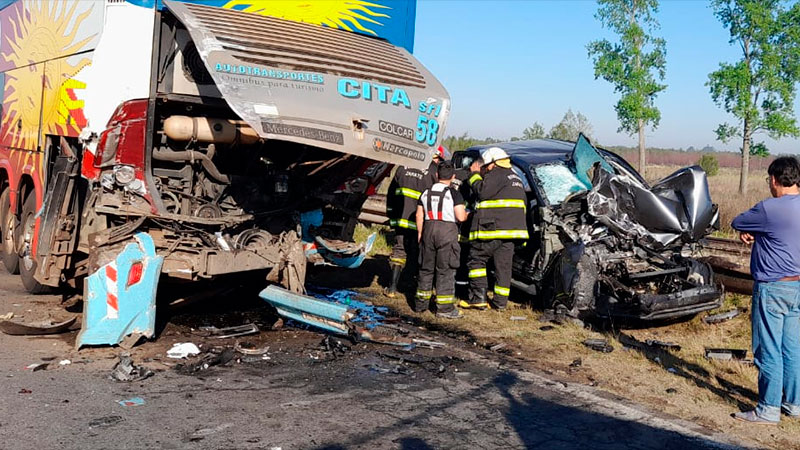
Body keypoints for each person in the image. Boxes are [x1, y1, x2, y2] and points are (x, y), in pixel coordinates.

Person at [731, 156, 800, 425]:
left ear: (773, 180)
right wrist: (760, 233)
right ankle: (794, 403)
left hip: (772, 287)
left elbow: (738, 221)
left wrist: (751, 231)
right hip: (797, 286)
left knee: (768, 348)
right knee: (792, 348)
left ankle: (768, 408)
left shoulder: (769, 209)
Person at [460, 147, 529, 311]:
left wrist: (474, 175)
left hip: (492, 229)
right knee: (503, 267)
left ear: (491, 163)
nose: (484, 170)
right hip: (511, 232)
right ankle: (500, 303)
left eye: (484, 167)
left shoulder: (497, 173)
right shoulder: (515, 177)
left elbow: (482, 192)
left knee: (476, 259)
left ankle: (478, 298)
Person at [385, 147, 443, 297]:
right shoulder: (433, 171)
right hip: (420, 221)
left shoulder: (403, 166)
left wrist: (391, 214)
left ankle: (392, 288)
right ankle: (410, 285)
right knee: (417, 252)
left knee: (399, 250)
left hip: (401, 219)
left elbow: (391, 193)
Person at [414, 161, 468, 318]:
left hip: (428, 229)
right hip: (446, 231)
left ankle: (420, 305)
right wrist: (467, 214)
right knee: (445, 270)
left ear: (436, 175)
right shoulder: (454, 194)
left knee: (425, 268)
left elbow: (419, 215)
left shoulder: (425, 192)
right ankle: (444, 309)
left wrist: (420, 234)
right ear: (453, 177)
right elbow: (460, 216)